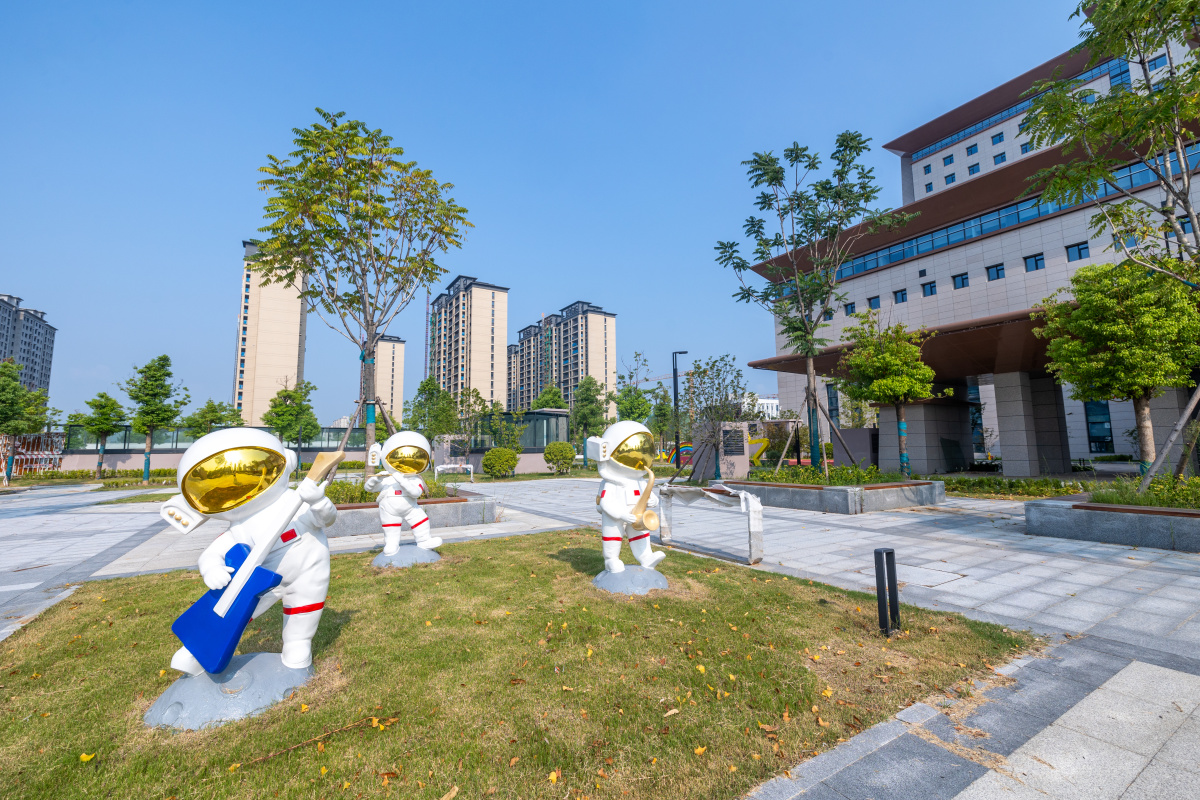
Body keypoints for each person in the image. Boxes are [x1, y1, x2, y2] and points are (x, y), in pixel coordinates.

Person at [160, 428, 336, 675]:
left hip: (309, 566)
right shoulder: (239, 527)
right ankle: (198, 649)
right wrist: (211, 569)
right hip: (260, 573)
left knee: (305, 609)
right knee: (236, 610)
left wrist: (318, 502)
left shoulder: (295, 501)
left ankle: (298, 646)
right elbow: (211, 553)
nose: (238, 487)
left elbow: (325, 519)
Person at [587, 420, 665, 574]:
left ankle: (646, 556)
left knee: (640, 534)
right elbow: (605, 503)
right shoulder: (612, 482)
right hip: (616, 515)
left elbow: (650, 495)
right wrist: (620, 514)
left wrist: (652, 500)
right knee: (613, 535)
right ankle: (611, 559)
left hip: (636, 514)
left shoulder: (640, 481)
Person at [365, 430, 441, 555]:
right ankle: (391, 544)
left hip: (411, 508)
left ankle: (424, 540)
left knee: (421, 520)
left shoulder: (415, 480)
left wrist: (401, 480)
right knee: (390, 527)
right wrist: (376, 479)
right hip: (389, 509)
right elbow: (369, 488)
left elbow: (415, 493)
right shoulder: (387, 479)